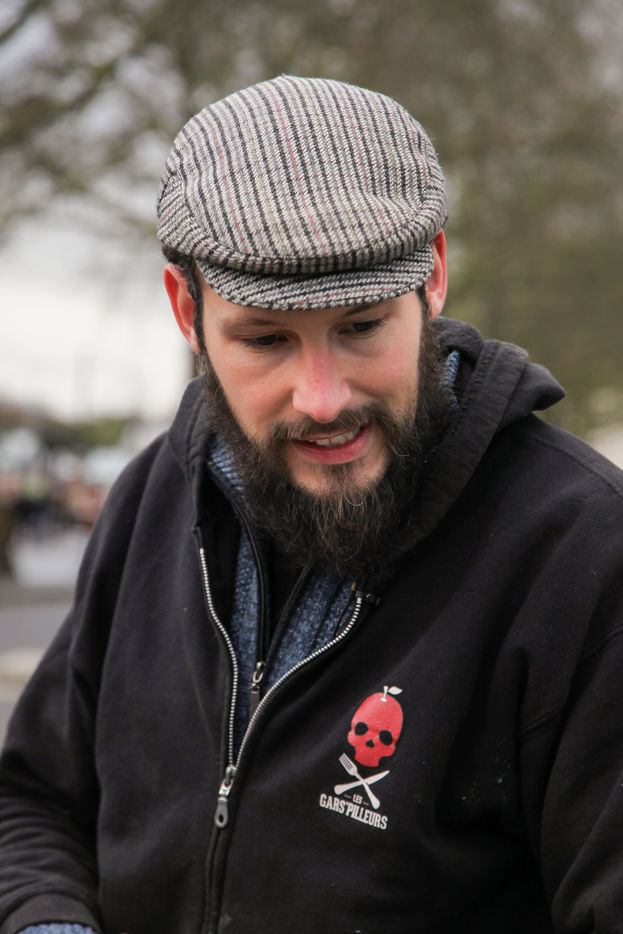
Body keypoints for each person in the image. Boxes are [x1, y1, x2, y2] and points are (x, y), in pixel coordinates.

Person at [0, 75, 622, 934]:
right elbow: (34, 801)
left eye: (361, 327)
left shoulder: (583, 552)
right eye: (265, 340)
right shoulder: (150, 495)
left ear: (433, 277)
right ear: (185, 308)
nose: (322, 399)